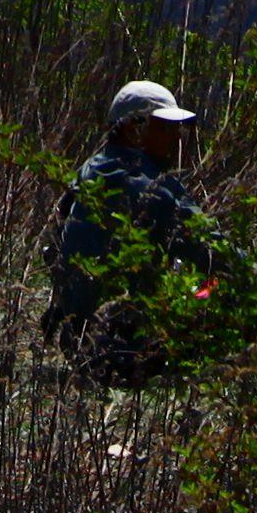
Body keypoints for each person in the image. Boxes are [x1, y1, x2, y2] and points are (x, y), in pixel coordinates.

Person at [43, 77, 216, 383]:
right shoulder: (150, 188)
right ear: (132, 128)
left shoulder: (89, 171)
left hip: (80, 346)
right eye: (165, 127)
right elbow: (213, 250)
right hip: (130, 353)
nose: (177, 138)